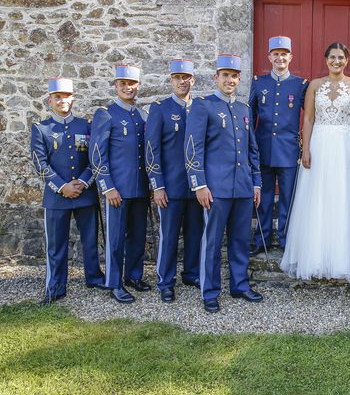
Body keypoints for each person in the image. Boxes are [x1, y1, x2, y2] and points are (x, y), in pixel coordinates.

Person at [280, 42, 350, 291]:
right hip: (319, 144)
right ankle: (317, 257)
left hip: (345, 144)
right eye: (332, 57)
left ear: (347, 59)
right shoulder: (315, 85)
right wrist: (306, 149)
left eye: (341, 57)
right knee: (318, 199)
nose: (337, 61)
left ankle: (344, 259)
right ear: (326, 59)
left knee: (344, 199)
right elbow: (308, 118)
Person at [184, 54, 263, 313]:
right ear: (216, 78)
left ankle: (240, 285)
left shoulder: (243, 109)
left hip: (241, 186)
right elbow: (193, 147)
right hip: (215, 188)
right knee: (212, 241)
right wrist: (199, 185)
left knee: (240, 240)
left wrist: (256, 183)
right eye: (225, 75)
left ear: (239, 79)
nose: (230, 80)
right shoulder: (203, 106)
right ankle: (210, 291)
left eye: (234, 76)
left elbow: (252, 150)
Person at [30, 78, 105, 305]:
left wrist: (82, 182)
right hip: (56, 197)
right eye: (58, 97)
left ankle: (93, 277)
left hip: (85, 194)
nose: (63, 101)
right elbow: (39, 163)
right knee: (56, 245)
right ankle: (55, 286)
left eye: (67, 97)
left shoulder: (86, 126)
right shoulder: (41, 128)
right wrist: (63, 186)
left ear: (73, 99)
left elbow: (95, 159)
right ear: (50, 100)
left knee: (90, 241)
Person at [90, 65, 150, 304]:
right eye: (123, 83)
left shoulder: (142, 115)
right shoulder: (106, 114)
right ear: (116, 86)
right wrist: (108, 187)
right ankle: (114, 282)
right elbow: (97, 155)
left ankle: (133, 275)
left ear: (138, 86)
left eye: (132, 83)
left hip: (140, 188)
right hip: (117, 189)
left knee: (137, 235)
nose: (128, 87)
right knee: (115, 238)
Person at [145, 59, 203, 303]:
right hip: (170, 186)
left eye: (186, 77)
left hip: (197, 186)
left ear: (193, 80)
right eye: (177, 77)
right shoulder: (160, 108)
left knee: (195, 233)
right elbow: (151, 149)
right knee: (169, 236)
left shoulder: (200, 107)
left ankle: (190, 273)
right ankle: (165, 281)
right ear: (171, 80)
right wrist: (157, 185)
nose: (182, 81)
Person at [249, 36, 308, 255]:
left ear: (290, 57)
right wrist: (250, 147)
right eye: (276, 54)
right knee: (263, 198)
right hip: (263, 150)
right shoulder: (259, 82)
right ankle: (261, 239)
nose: (280, 57)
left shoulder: (300, 85)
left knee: (287, 198)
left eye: (284, 54)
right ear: (269, 57)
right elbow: (250, 116)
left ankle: (286, 239)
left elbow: (310, 116)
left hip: (289, 151)